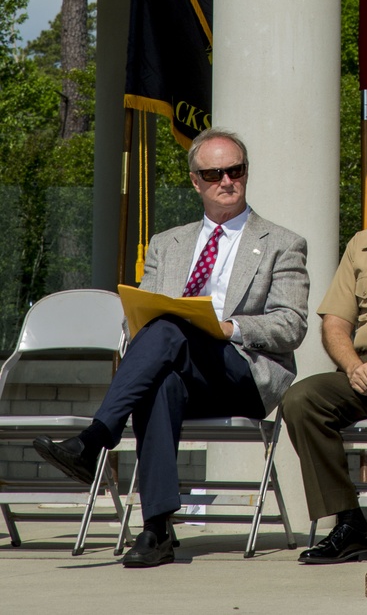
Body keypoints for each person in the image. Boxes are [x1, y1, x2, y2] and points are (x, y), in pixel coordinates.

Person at [33, 128, 310, 568]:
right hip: (180, 369)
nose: (227, 180)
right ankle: (156, 528)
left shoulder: (281, 243)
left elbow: (291, 325)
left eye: (235, 170)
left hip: (242, 373)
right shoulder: (168, 243)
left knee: (166, 331)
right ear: (195, 181)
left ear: (246, 174)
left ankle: (96, 438)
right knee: (159, 376)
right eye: (214, 172)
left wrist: (227, 327)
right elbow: (137, 316)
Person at [281, 226, 367, 564]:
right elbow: (335, 323)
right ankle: (349, 523)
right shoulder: (363, 243)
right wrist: (353, 367)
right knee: (302, 400)